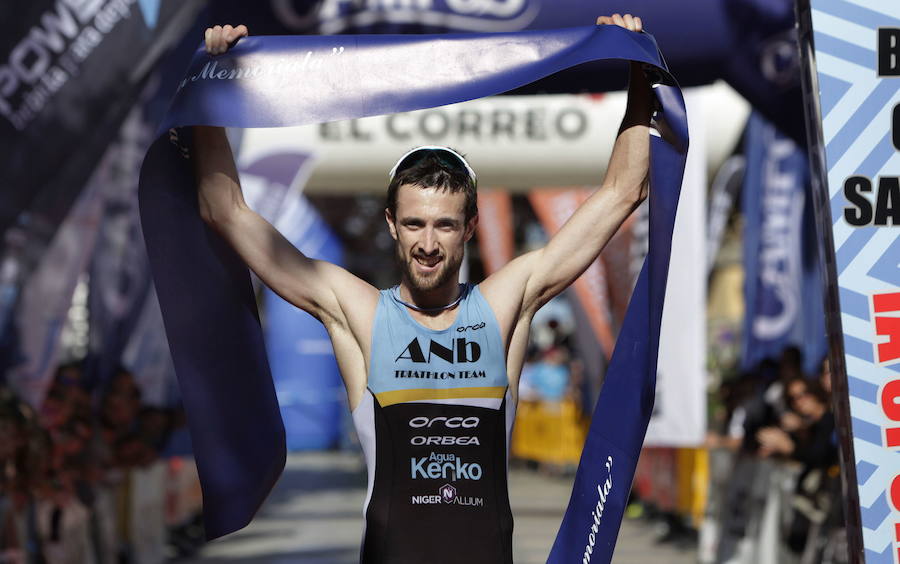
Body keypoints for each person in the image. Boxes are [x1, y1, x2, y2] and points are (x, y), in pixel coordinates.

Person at [197, 13, 651, 564]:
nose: (428, 243)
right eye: (414, 224)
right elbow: (225, 212)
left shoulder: (503, 305)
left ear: (470, 227)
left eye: (444, 225)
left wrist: (638, 70)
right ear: (392, 224)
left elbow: (623, 192)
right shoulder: (359, 312)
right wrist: (214, 83)